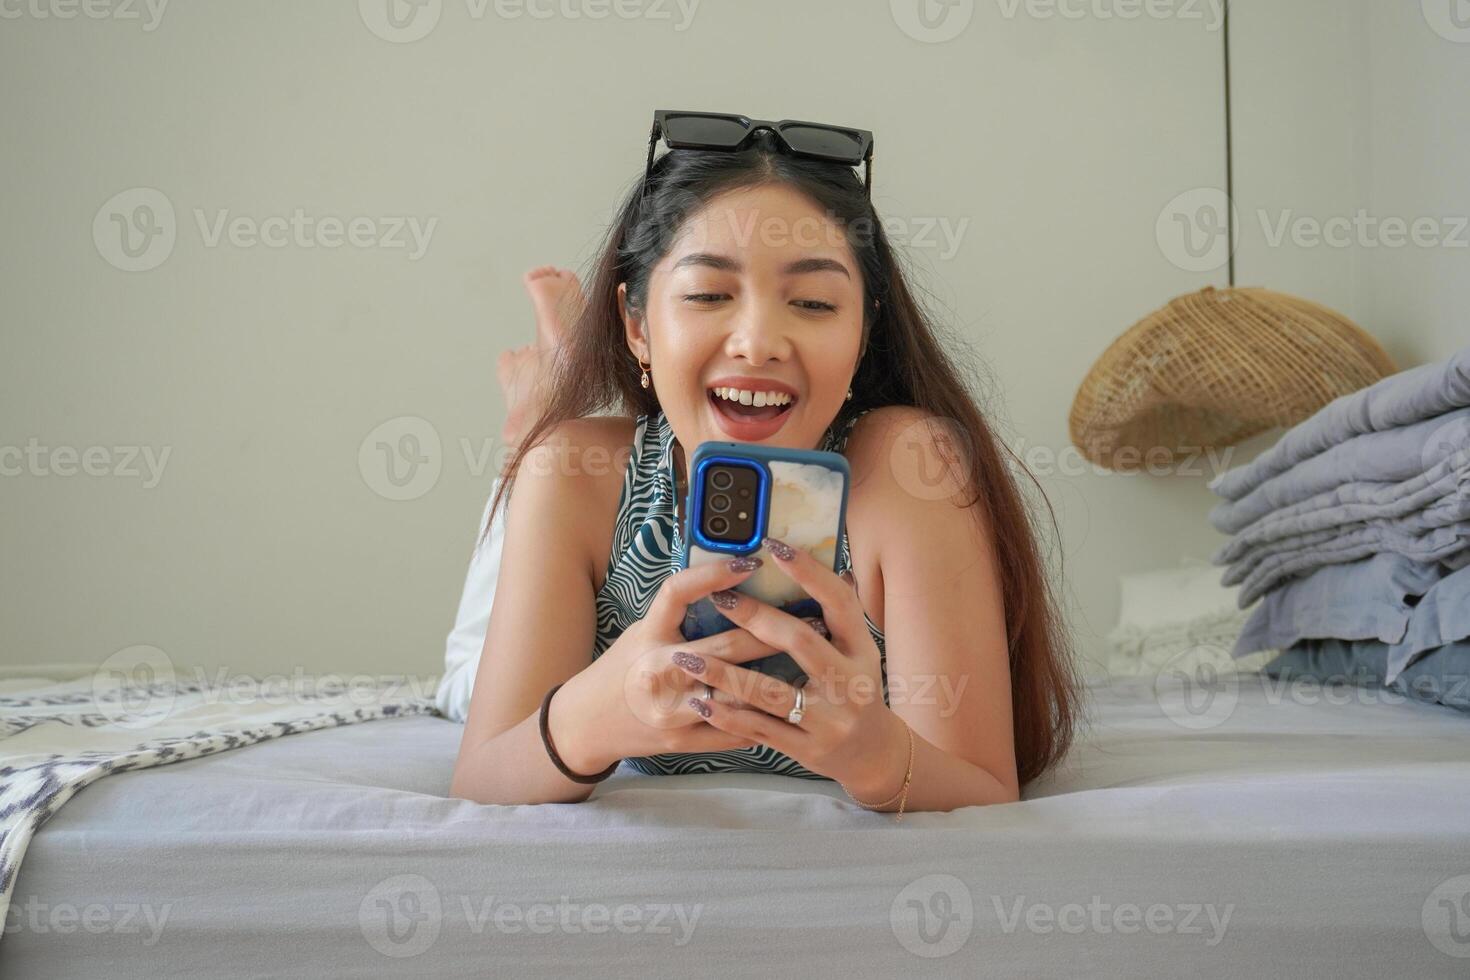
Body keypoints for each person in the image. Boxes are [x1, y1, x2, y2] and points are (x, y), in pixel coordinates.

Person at [448, 116, 1079, 816]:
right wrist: (593, 714)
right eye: (708, 295)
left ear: (864, 334)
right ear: (636, 327)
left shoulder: (909, 466)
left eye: (812, 303)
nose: (758, 343)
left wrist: (875, 757)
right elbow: (482, 778)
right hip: (578, 483)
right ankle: (545, 390)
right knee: (473, 650)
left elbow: (984, 788)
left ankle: (556, 379)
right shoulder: (573, 473)